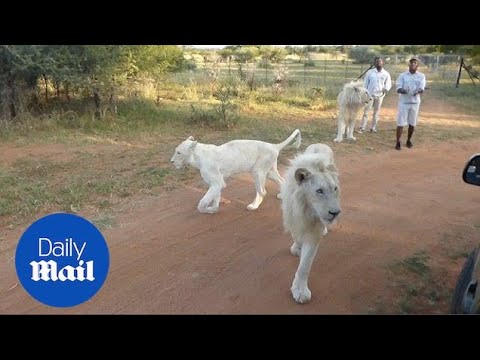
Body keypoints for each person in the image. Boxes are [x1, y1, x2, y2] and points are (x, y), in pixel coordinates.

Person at [395, 57, 426, 150]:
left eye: (415, 63)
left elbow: (421, 87)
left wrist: (418, 91)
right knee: (400, 123)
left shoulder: (421, 76)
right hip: (403, 102)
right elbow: (398, 87)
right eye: (411, 62)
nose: (413, 64)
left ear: (417, 65)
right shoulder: (402, 75)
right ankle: (398, 142)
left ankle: (408, 140)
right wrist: (402, 90)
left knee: (412, 123)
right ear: (408, 64)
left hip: (415, 103)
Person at [357, 57, 392, 133]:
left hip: (380, 96)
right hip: (370, 95)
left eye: (379, 61)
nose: (378, 63)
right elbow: (366, 83)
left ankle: (373, 128)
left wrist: (384, 90)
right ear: (374, 63)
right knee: (366, 112)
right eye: (376, 62)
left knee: (376, 113)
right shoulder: (370, 72)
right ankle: (362, 128)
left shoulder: (386, 74)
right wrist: (365, 93)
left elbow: (388, 84)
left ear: (382, 63)